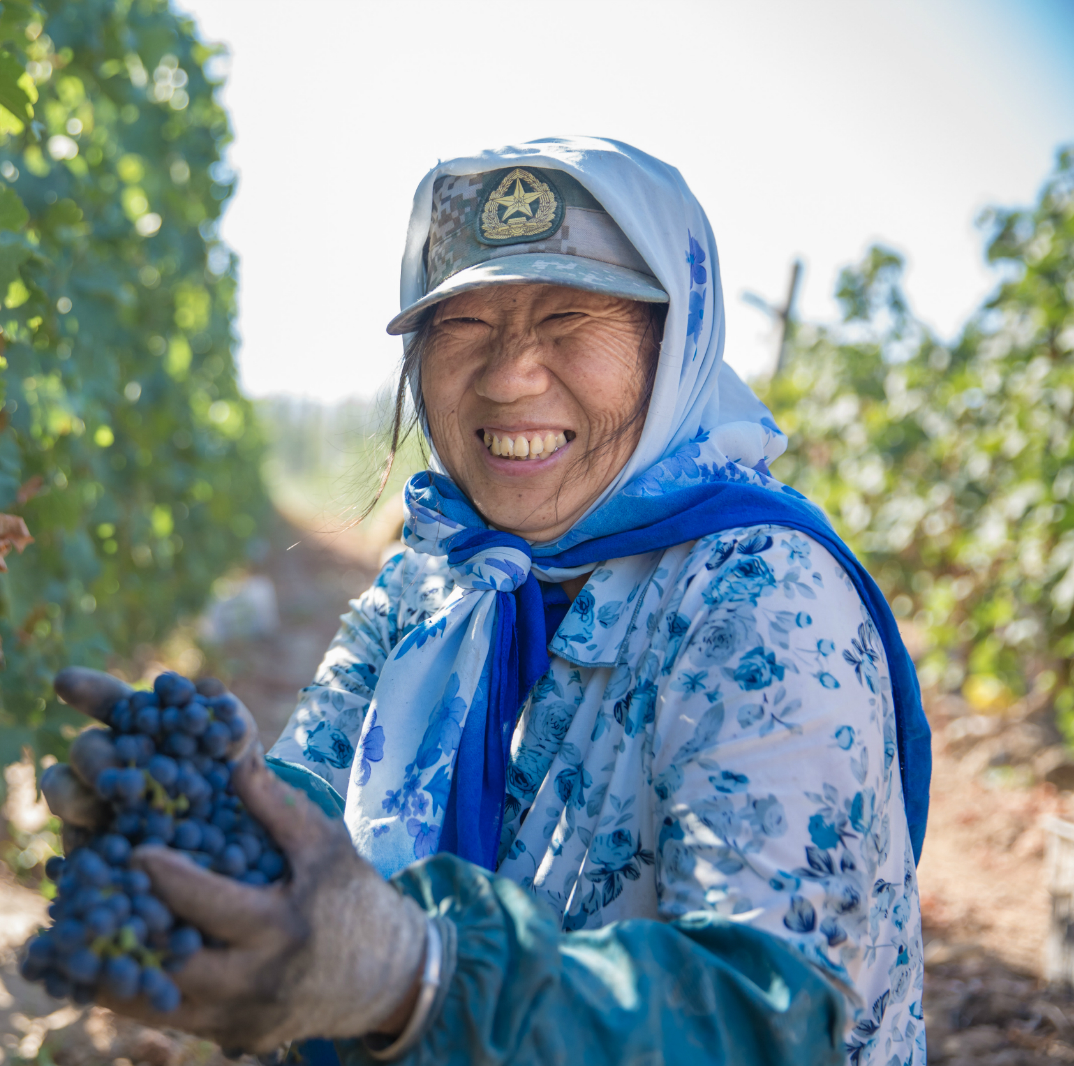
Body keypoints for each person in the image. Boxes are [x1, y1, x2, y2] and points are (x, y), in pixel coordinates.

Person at [45, 137, 930, 1066]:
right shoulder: (435, 577)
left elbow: (764, 1020)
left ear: (675, 346)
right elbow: (313, 799)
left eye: (568, 318)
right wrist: (216, 834)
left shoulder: (759, 599)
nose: (509, 376)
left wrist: (416, 978)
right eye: (463, 326)